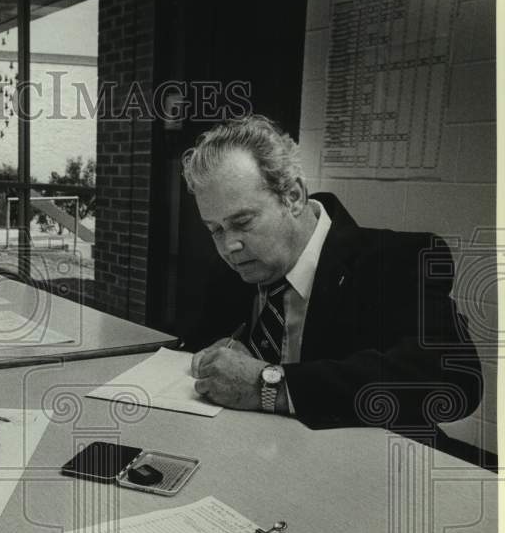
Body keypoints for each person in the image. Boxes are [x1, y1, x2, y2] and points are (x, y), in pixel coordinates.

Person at [180, 115, 482, 452]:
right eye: (215, 230)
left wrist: (271, 384)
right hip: (259, 457)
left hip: (371, 470)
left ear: (293, 196)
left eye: (243, 221)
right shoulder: (237, 265)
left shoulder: (398, 260)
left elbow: (456, 379)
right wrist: (217, 354)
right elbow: (201, 344)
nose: (228, 246)